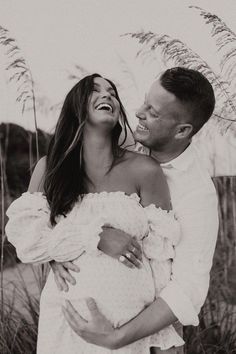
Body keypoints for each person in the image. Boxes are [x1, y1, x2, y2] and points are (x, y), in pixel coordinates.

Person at [5, 73, 185, 353]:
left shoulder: (145, 170)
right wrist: (95, 237)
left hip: (130, 328)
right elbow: (28, 242)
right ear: (76, 106)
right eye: (95, 90)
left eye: (112, 92)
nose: (107, 95)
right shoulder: (49, 168)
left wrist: (166, 337)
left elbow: (162, 260)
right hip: (68, 324)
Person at [58, 67, 219, 354]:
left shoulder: (197, 194)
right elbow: (61, 209)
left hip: (146, 340)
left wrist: (117, 338)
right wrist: (58, 253)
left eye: (153, 112)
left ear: (182, 131)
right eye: (144, 101)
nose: (137, 112)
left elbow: (188, 291)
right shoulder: (120, 145)